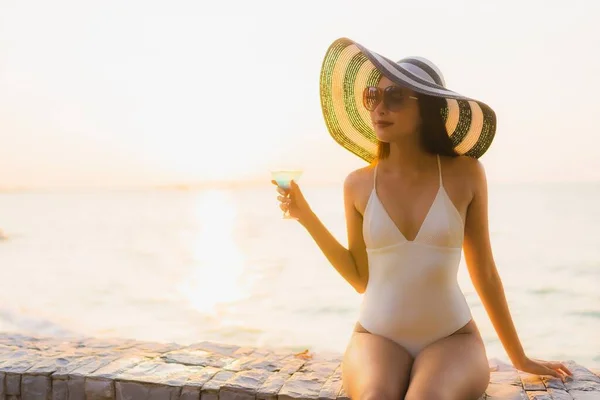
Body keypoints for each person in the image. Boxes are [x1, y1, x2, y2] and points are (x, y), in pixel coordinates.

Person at [273, 38, 573, 399]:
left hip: (452, 340)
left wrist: (519, 357)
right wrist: (306, 217)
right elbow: (360, 278)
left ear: (427, 109)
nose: (380, 107)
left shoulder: (466, 174)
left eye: (395, 96)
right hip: (375, 336)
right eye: (374, 96)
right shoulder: (358, 184)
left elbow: (486, 273)